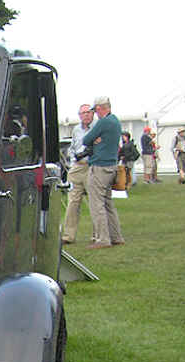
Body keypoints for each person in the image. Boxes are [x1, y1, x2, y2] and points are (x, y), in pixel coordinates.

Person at [82, 96, 125, 249]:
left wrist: (95, 139)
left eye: (96, 110)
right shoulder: (115, 121)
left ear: (100, 108)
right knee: (108, 203)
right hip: (112, 166)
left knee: (97, 204)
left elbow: (86, 139)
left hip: (100, 166)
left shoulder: (104, 122)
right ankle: (116, 236)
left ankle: (102, 238)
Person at [62, 104, 94, 244]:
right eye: (83, 113)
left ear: (92, 114)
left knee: (95, 202)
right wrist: (74, 158)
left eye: (88, 112)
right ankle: (69, 235)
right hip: (77, 167)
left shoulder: (97, 128)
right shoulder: (76, 129)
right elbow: (73, 146)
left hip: (91, 166)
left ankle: (98, 235)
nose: (86, 115)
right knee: (72, 203)